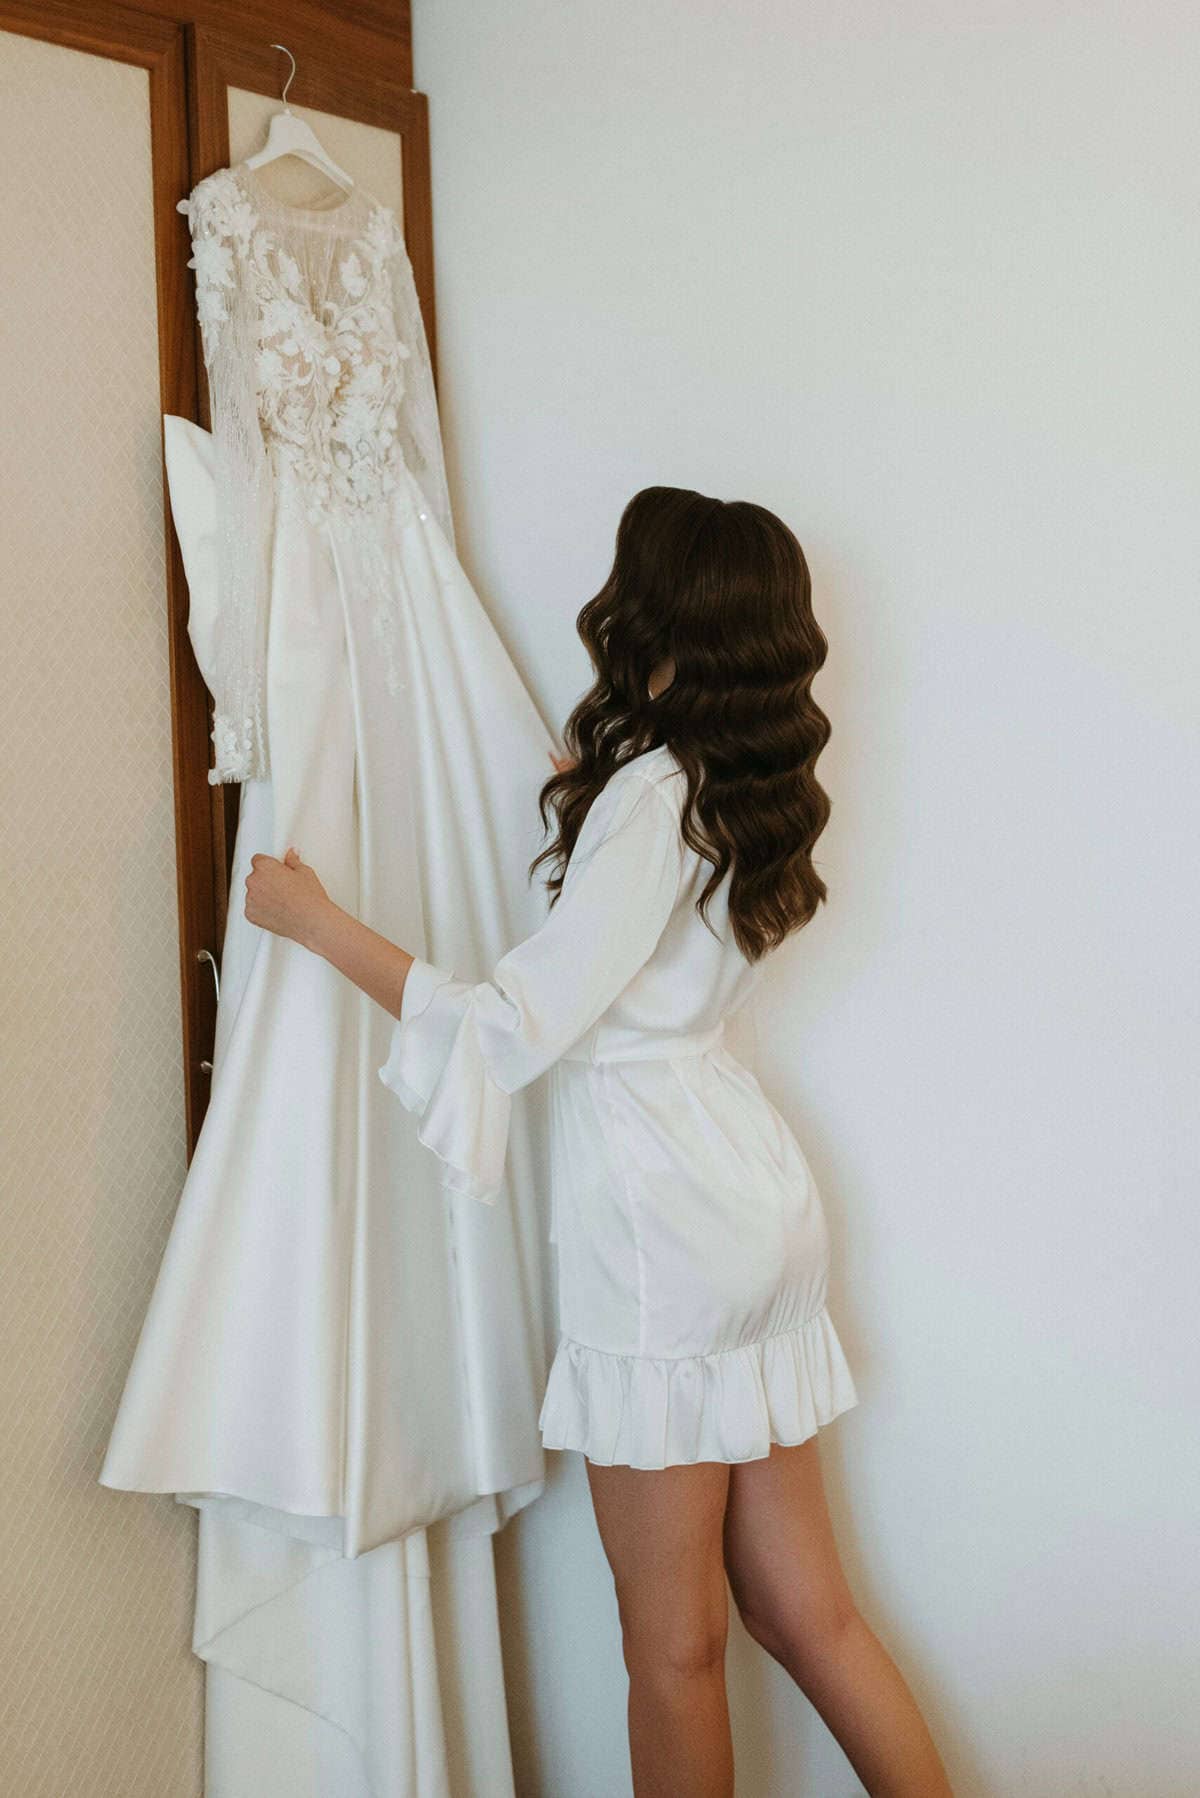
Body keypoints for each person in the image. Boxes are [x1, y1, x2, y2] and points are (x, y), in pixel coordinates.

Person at [244, 486, 953, 1798]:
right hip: (752, 1196)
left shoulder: (654, 797)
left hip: (662, 1221)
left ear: (663, 613)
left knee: (671, 1647)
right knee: (812, 1615)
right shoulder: (743, 783)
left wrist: (313, 920)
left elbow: (510, 1027)